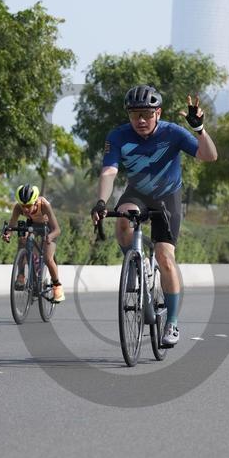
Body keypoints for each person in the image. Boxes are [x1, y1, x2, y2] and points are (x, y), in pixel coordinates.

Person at [91, 84, 218, 347]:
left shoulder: (173, 133)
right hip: (137, 193)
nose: (140, 120)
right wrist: (101, 201)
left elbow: (209, 156)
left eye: (146, 114)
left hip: (167, 197)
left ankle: (172, 322)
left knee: (165, 258)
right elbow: (109, 171)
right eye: (134, 114)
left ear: (157, 113)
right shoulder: (118, 136)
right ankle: (135, 263)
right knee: (123, 219)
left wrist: (199, 130)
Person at [3, 184, 65, 303]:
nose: (25, 209)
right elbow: (12, 224)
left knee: (47, 258)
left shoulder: (44, 205)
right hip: (33, 225)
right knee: (22, 239)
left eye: (28, 206)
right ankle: (21, 276)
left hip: (48, 228)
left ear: (35, 202)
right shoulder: (18, 207)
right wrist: (8, 234)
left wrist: (49, 237)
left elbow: (57, 230)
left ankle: (57, 286)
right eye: (23, 206)